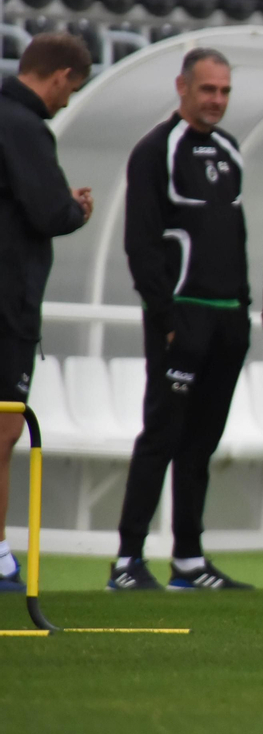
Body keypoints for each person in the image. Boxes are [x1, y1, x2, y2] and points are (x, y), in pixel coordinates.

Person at [111, 48, 253, 591]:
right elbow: (141, 242)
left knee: (202, 442)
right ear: (183, 88)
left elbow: (233, 237)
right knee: (162, 435)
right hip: (181, 321)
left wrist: (242, 308)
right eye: (207, 90)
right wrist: (164, 314)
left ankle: (189, 561)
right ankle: (127, 560)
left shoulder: (230, 150)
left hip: (227, 322)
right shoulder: (155, 150)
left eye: (224, 91)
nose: (216, 100)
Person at [0, 33, 95, 593]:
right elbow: (48, 210)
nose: (66, 101)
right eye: (71, 90)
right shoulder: (24, 125)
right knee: (6, 427)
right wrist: (76, 208)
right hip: (6, 305)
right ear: (60, 76)